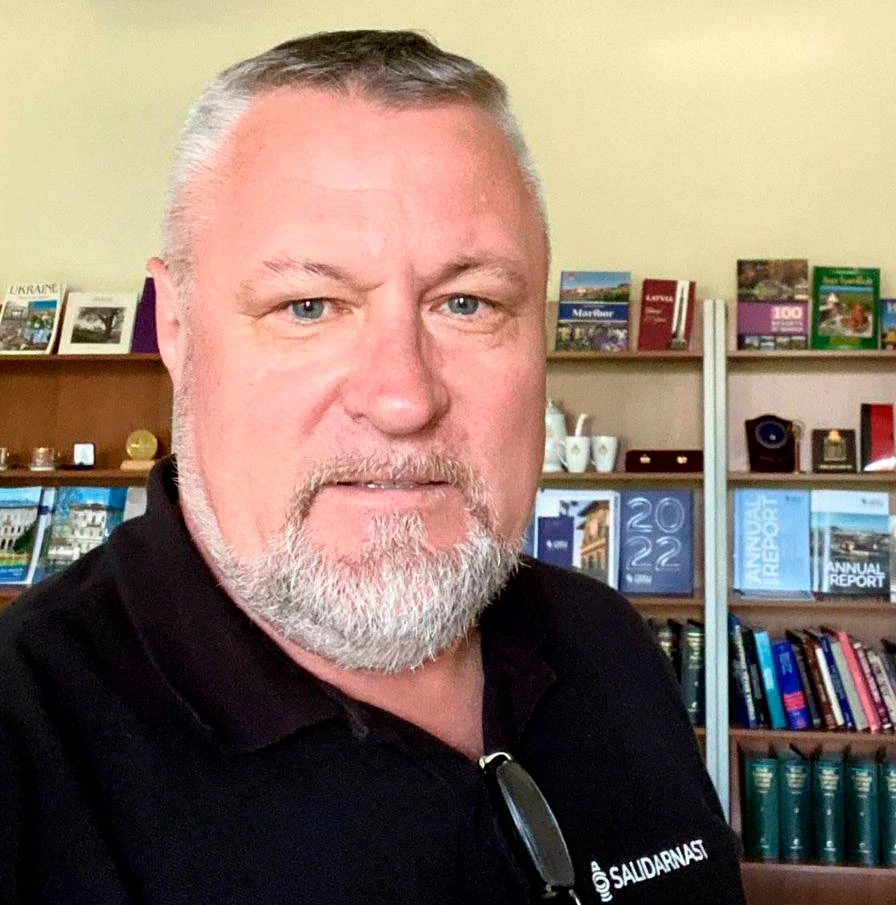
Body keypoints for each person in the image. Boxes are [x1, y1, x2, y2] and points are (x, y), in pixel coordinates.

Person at [0, 31, 744, 904]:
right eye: (308, 305)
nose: (403, 398)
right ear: (175, 328)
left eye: (467, 302)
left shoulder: (606, 641)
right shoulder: (25, 743)